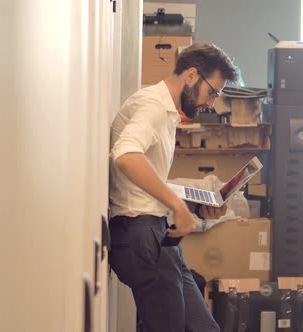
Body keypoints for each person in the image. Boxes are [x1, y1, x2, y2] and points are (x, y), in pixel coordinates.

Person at [108, 43, 238, 332]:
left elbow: (145, 176)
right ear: (192, 75)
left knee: (204, 328)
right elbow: (126, 155)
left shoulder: (167, 110)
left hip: (156, 229)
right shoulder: (153, 105)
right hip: (138, 232)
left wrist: (192, 205)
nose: (212, 103)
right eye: (213, 92)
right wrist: (178, 206)